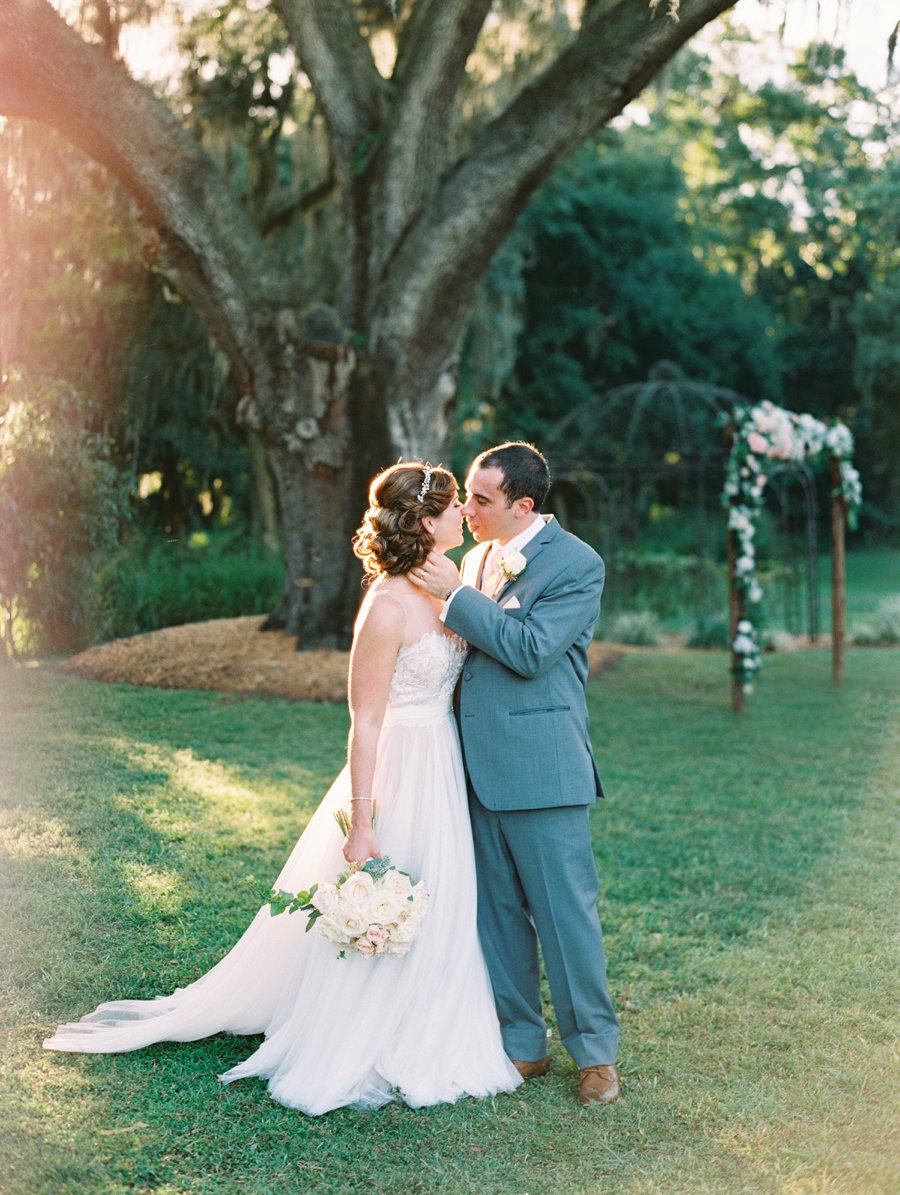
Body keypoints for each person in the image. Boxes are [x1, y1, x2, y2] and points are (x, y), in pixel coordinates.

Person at [44, 463, 521, 1116]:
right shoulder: (385, 604)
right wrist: (361, 820)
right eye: (450, 507)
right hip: (399, 765)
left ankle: (432, 1020)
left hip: (444, 758)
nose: (463, 513)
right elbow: (367, 721)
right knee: (393, 886)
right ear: (423, 522)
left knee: (444, 895)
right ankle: (367, 1030)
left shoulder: (454, 585)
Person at [409, 441, 620, 1107]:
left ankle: (595, 1053)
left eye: (480, 499)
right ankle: (522, 1041)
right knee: (496, 914)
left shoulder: (577, 565)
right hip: (472, 766)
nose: (464, 508)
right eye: (468, 495)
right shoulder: (476, 557)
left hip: (543, 767)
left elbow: (529, 650)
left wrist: (453, 596)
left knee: (565, 917)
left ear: (523, 505)